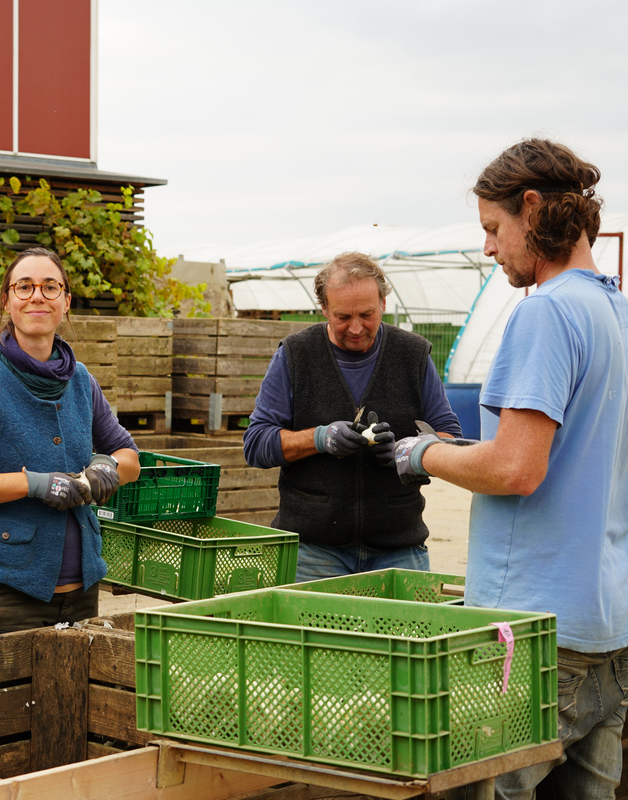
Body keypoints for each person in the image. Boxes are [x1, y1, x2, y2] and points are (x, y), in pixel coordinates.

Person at [394, 139, 628, 799]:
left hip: (533, 634)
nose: (490, 248)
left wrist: (421, 453)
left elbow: (517, 469)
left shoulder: (547, 311)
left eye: (493, 229)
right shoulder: (615, 312)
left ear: (531, 208)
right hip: (606, 630)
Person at [0, 247, 140, 635]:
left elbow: (130, 457)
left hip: (84, 589)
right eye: (24, 287)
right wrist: (34, 484)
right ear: (7, 301)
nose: (37, 296)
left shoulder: (82, 381)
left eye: (50, 287)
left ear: (66, 301)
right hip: (7, 595)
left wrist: (105, 469)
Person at [243, 252, 462, 581]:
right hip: (313, 552)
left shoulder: (412, 354)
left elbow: (449, 438)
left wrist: (407, 452)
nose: (357, 328)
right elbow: (256, 444)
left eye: (367, 314)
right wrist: (320, 438)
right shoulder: (296, 355)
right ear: (324, 308)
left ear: (383, 303)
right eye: (343, 316)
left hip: (399, 547)